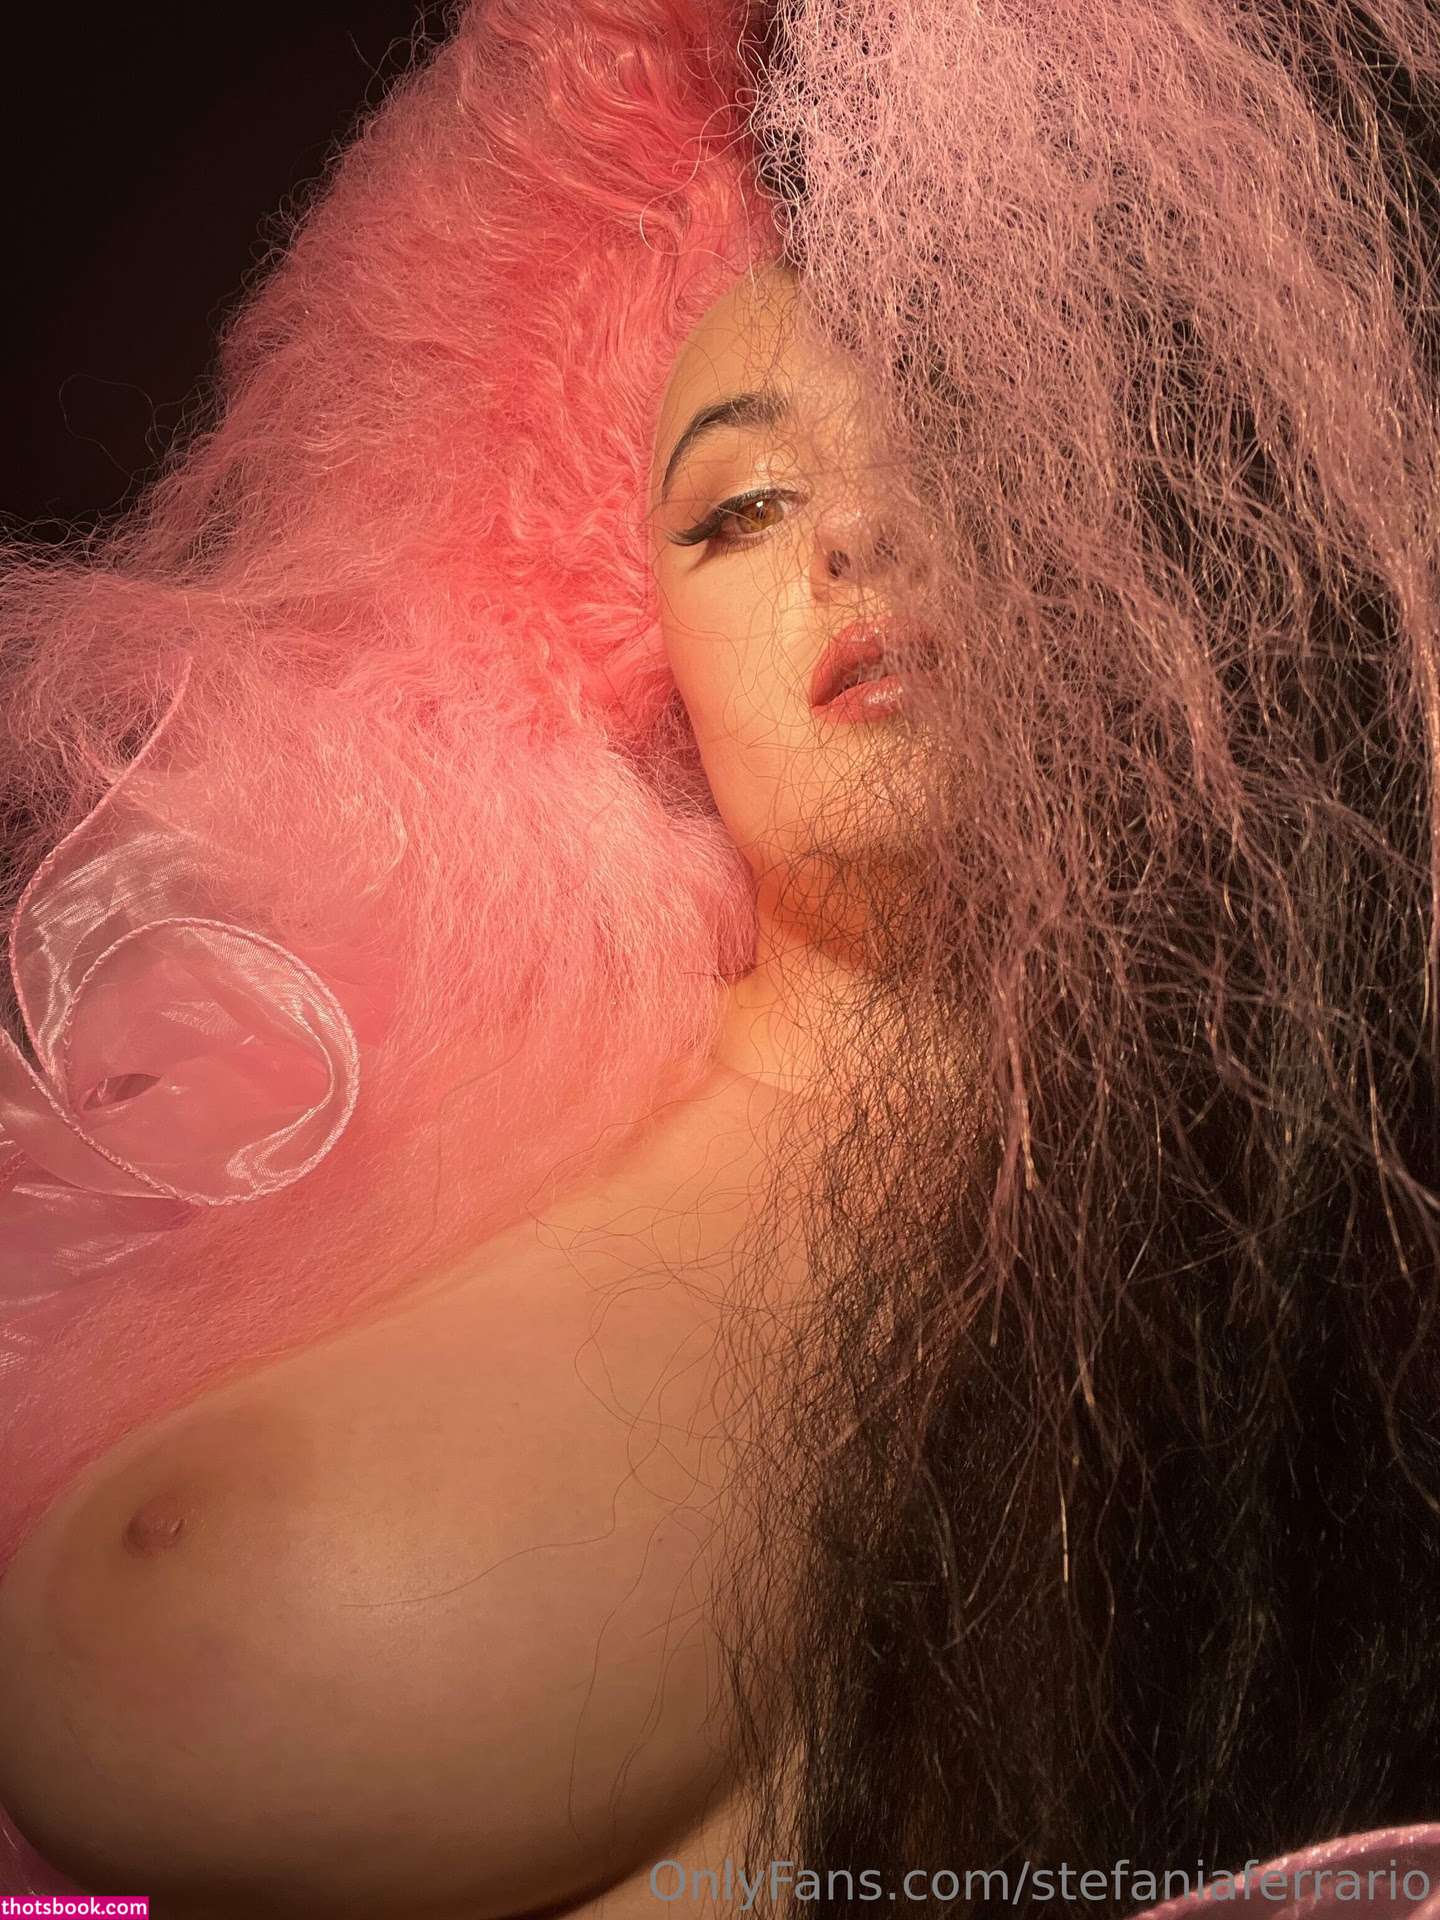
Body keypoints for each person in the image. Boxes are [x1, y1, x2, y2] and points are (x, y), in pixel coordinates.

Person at [2, 0, 1440, 1914]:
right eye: (739, 508)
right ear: (641, 664)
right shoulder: (417, 1081)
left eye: (965, 449)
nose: (849, 540)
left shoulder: (1221, 1306)